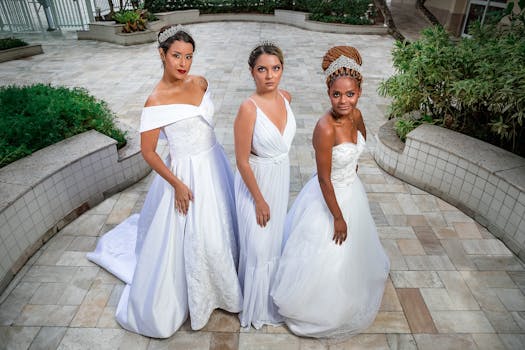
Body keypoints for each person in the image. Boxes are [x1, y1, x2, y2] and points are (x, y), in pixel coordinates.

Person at [86, 25, 242, 338]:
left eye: (188, 56)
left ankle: (226, 284)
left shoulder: (200, 81)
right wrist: (178, 184)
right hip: (186, 173)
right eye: (176, 56)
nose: (183, 63)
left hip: (214, 164)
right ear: (162, 54)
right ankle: (204, 295)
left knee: (222, 226)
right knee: (199, 236)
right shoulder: (155, 101)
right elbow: (148, 152)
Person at [271, 46, 390, 338]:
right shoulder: (324, 128)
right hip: (330, 196)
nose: (343, 100)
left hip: (352, 189)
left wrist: (352, 171)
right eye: (336, 94)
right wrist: (337, 217)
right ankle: (320, 306)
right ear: (328, 93)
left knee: (354, 251)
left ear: (359, 92)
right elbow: (324, 180)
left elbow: (360, 141)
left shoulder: (358, 115)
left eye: (350, 94)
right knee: (327, 250)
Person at [234, 41, 296, 329]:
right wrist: (258, 199)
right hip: (256, 183)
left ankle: (272, 294)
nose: (269, 75)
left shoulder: (286, 97)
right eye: (262, 69)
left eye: (275, 68)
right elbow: (242, 161)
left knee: (273, 242)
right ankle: (255, 306)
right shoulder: (248, 109)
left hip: (279, 178)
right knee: (258, 246)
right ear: (252, 72)